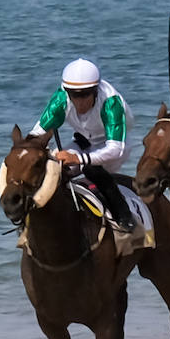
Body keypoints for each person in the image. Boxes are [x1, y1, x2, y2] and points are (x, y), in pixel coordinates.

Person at [30, 58, 137, 230]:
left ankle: (123, 214)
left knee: (91, 169)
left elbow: (115, 149)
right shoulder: (61, 98)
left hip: (113, 147)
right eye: (74, 96)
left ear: (95, 91)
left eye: (85, 95)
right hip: (82, 141)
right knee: (52, 168)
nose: (79, 101)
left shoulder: (111, 103)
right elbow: (37, 134)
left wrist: (78, 159)